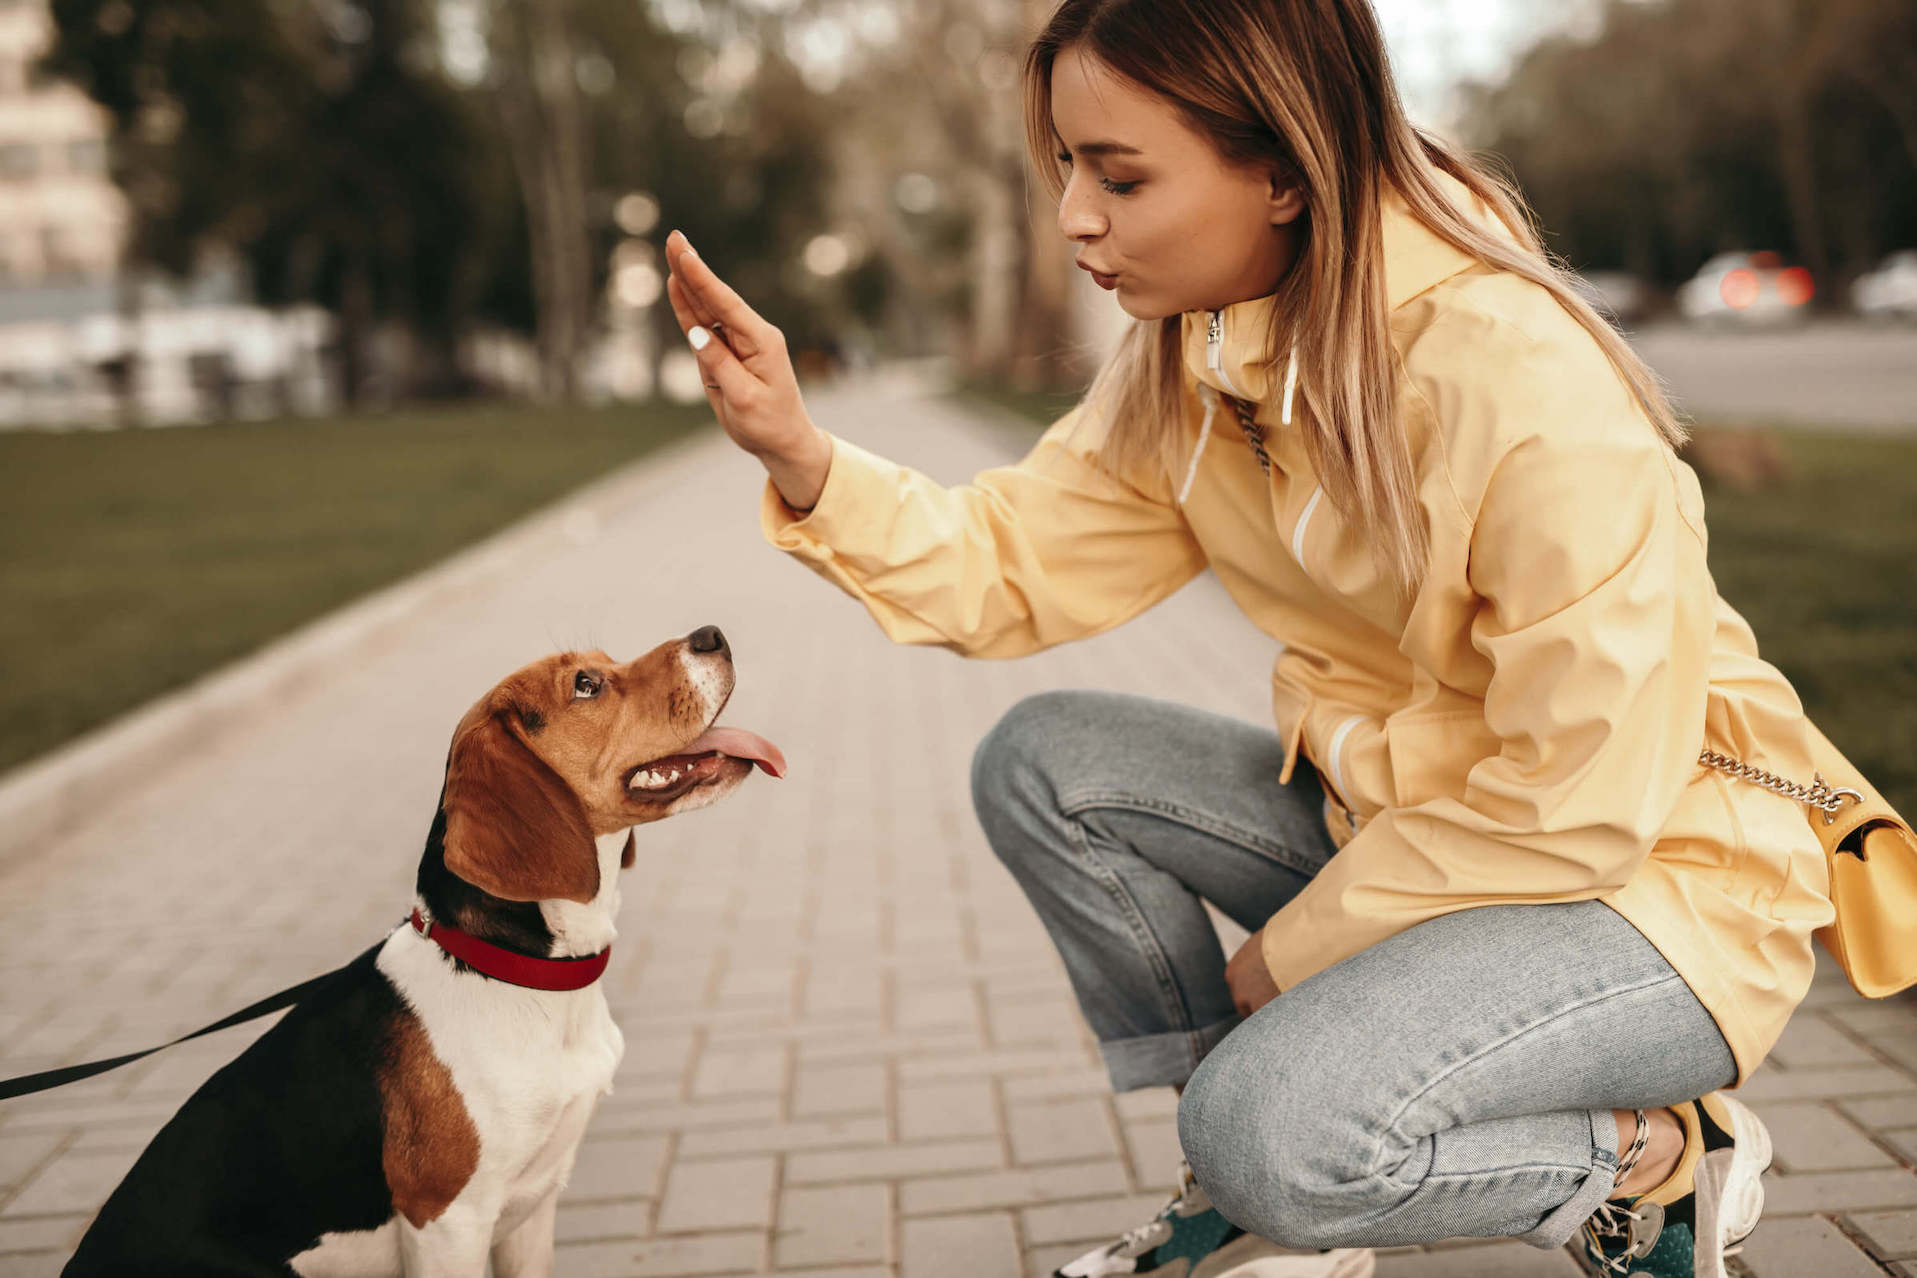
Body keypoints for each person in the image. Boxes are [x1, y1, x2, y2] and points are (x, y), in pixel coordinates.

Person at [661, 1, 1834, 1274]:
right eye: (1067, 168)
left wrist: (1296, 951)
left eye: (1120, 175)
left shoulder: (1521, 385)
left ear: (1282, 168)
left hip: (1654, 893)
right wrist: (802, 451)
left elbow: (1580, 805)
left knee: (1274, 1129)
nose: (1076, 217)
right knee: (1048, 762)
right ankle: (1270, 1185)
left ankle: (1651, 1163)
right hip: (1414, 835)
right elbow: (1009, 564)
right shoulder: (1200, 358)